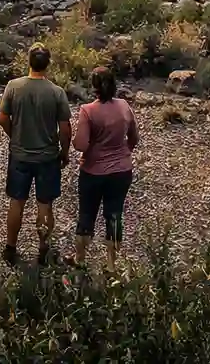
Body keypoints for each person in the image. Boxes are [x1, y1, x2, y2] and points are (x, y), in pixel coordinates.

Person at [0, 42, 71, 265]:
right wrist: (64, 151)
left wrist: (14, 136)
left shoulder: (13, 86)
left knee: (17, 201)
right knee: (44, 204)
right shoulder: (56, 92)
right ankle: (43, 249)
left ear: (28, 62)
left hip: (20, 155)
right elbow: (65, 128)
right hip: (47, 157)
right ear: (48, 64)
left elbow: (2, 118)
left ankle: (10, 247)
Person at [72, 66, 139, 268]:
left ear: (94, 87)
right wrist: (122, 153)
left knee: (86, 214)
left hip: (93, 171)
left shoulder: (88, 111)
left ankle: (80, 259)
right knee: (114, 215)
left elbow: (81, 145)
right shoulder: (124, 106)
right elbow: (134, 137)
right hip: (121, 170)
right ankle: (111, 264)